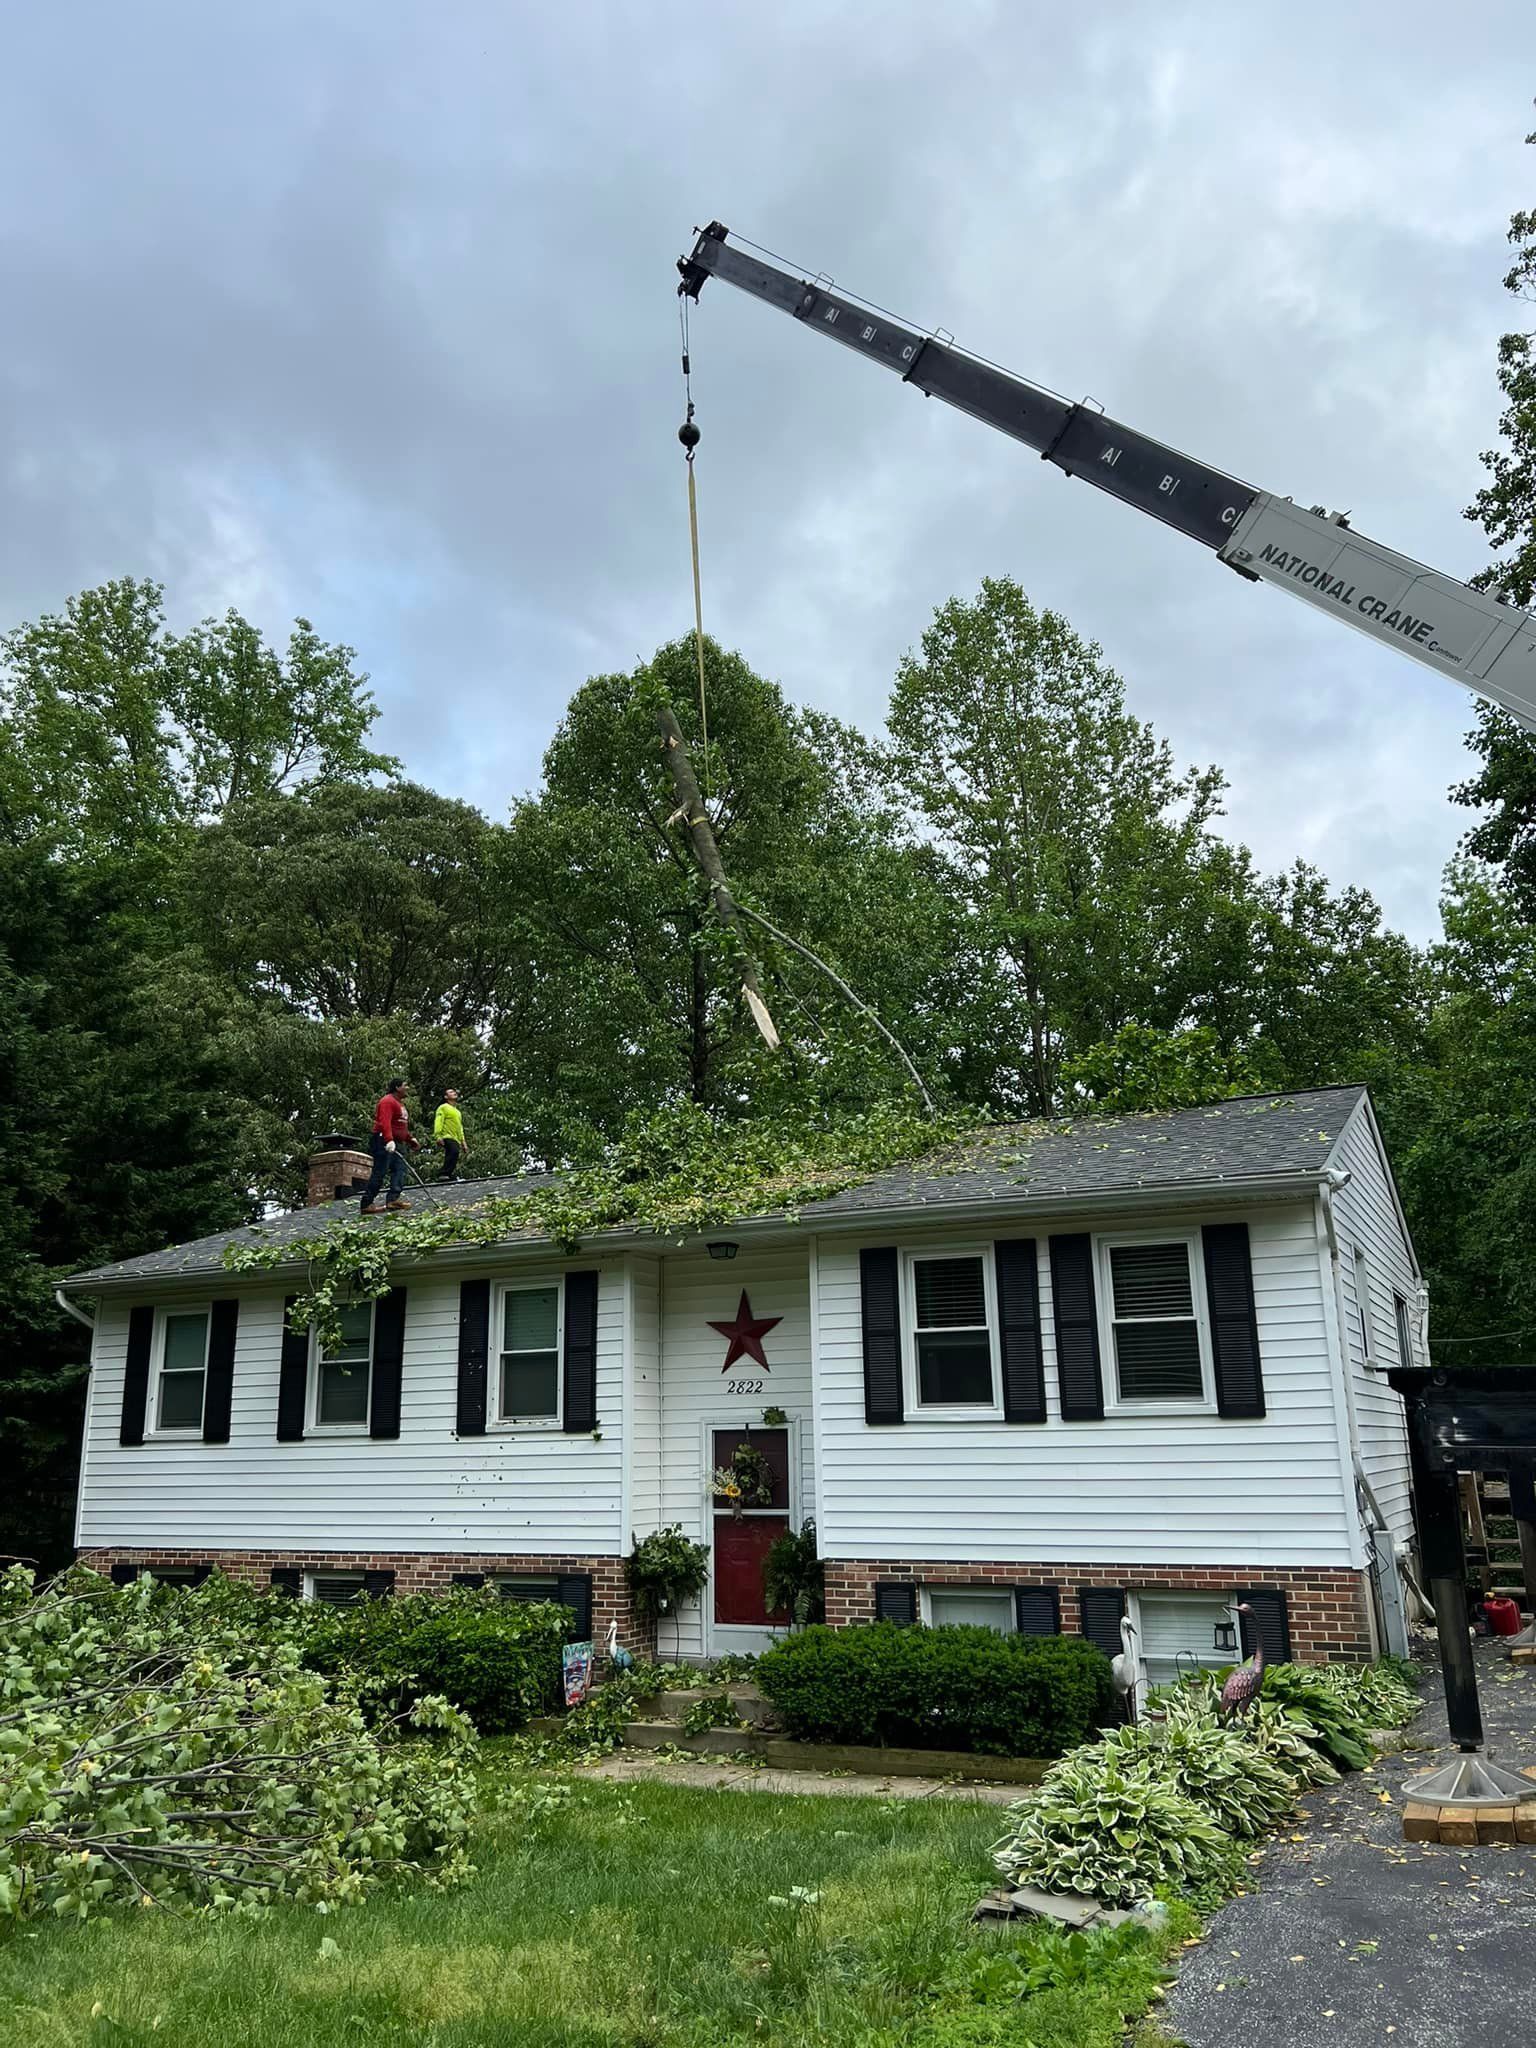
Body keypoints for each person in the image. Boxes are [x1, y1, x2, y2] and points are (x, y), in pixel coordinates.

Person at [360, 1077, 420, 1214]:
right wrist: (388, 1140)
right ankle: (366, 1204)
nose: (408, 1088)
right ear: (397, 1087)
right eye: (405, 1085)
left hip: (397, 1143)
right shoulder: (387, 1101)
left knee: (400, 1170)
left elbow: (400, 1126)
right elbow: (384, 1122)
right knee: (380, 1172)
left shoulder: (400, 1104)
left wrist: (410, 1139)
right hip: (383, 1141)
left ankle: (392, 1200)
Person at [433, 1088, 467, 1181]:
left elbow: (460, 1127)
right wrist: (438, 1136)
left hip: (455, 1137)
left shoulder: (457, 1111)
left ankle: (448, 1174)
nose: (454, 1093)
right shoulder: (443, 1107)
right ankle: (443, 1173)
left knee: (453, 1154)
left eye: (454, 1091)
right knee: (454, 1151)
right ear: (446, 1096)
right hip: (446, 1135)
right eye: (451, 1092)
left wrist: (463, 1141)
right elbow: (438, 1121)